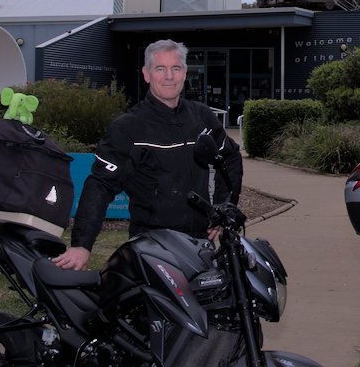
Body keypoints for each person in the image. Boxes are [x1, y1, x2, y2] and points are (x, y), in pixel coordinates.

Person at [54, 39, 241, 270]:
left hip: (200, 244)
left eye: (175, 68)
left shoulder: (201, 117)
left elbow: (230, 157)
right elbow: (100, 185)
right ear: (147, 74)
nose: (169, 76)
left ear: (184, 73)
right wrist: (82, 244)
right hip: (152, 246)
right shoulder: (129, 127)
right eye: (160, 68)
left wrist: (225, 207)